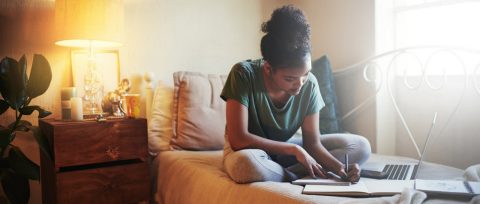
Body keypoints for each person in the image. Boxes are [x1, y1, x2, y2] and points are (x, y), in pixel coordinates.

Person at [220, 5, 371, 184]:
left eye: (305, 74)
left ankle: (284, 173)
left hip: (285, 152)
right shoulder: (243, 75)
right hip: (249, 151)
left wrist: (340, 169)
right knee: (244, 166)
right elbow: (238, 139)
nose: (300, 84)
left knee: (361, 146)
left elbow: (312, 144)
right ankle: (297, 174)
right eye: (290, 78)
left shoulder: (310, 84)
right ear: (268, 68)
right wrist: (294, 150)